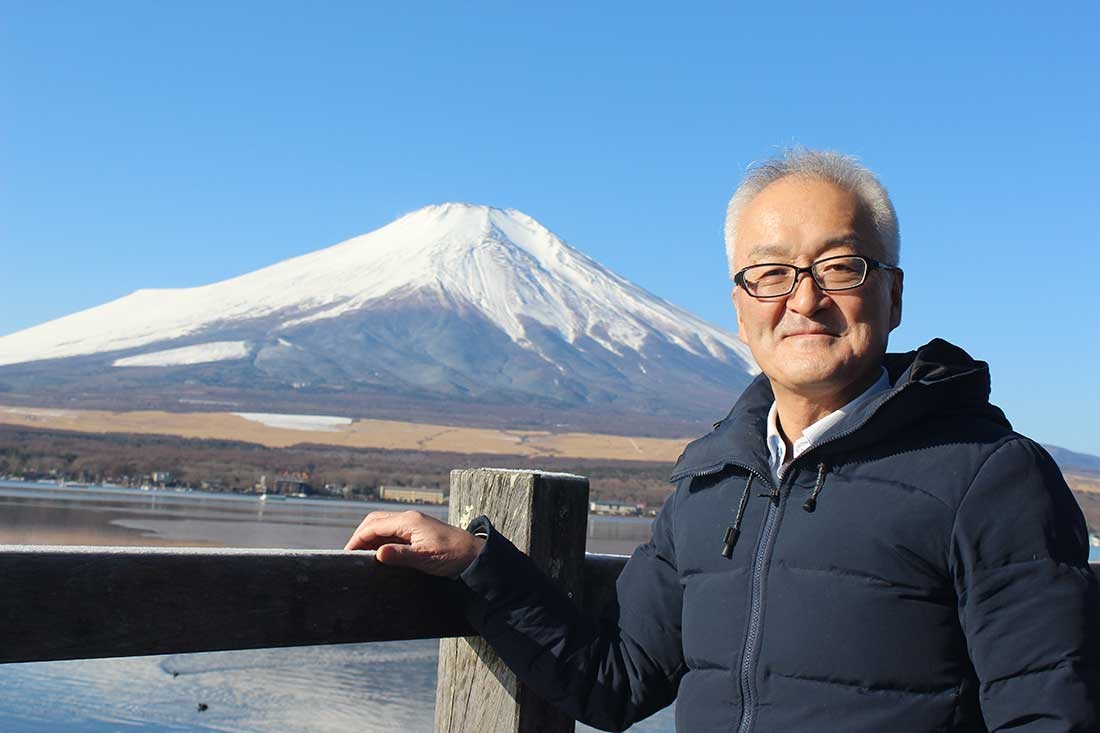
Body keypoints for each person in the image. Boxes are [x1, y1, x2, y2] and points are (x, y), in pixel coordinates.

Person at [346, 149, 1100, 731]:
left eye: (840, 266)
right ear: (740, 309)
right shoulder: (711, 482)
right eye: (770, 273)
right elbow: (618, 679)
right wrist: (477, 564)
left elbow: (1050, 712)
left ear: (893, 293)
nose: (804, 298)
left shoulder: (992, 479)